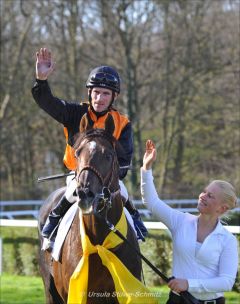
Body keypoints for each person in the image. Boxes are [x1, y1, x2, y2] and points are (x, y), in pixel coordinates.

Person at [31, 47, 147, 241]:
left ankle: (135, 218)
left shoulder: (123, 123)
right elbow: (47, 102)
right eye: (96, 92)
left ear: (114, 97)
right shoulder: (74, 113)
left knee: (124, 192)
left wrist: (107, 177)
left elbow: (124, 162)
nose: (99, 98)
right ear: (90, 92)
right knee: (71, 191)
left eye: (105, 94)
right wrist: (41, 80)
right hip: (77, 174)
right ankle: (55, 217)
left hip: (108, 179)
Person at [141, 139, 238, 303]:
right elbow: (152, 202)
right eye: (204, 191)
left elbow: (226, 282)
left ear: (222, 209)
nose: (203, 196)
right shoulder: (180, 221)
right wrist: (146, 168)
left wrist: (188, 284)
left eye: (210, 195)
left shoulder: (227, 240)